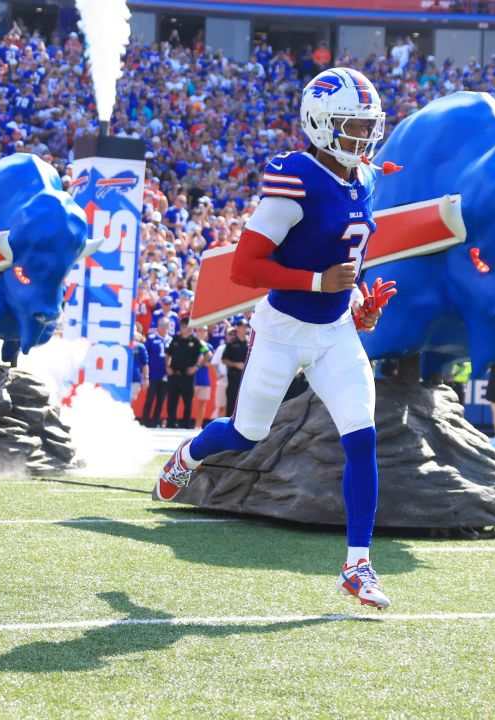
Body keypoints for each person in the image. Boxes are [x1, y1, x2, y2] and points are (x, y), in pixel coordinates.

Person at [155, 68, 396, 609]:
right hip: (283, 330)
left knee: (362, 437)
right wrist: (314, 282)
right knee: (246, 433)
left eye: (368, 125)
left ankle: (357, 565)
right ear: (319, 123)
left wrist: (358, 303)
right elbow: (244, 268)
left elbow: (346, 259)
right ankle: (190, 454)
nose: (364, 136)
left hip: (334, 332)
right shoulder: (295, 180)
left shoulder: (365, 177)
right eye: (353, 125)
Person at [165, 318, 208, 430]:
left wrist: (196, 367)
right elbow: (168, 354)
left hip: (187, 376)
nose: (186, 329)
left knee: (187, 401)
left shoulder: (196, 341)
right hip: (174, 374)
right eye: (184, 326)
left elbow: (208, 354)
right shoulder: (176, 339)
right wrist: (168, 366)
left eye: (188, 326)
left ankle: (186, 424)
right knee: (172, 400)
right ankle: (171, 423)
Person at [142, 317, 172, 427]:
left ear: (169, 326)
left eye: (166, 325)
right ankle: (145, 421)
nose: (163, 327)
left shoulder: (171, 340)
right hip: (153, 374)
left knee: (160, 400)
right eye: (161, 325)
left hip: (165, 375)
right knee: (150, 398)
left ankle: (155, 422)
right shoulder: (151, 338)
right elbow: (145, 356)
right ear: (158, 326)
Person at [220, 319, 250, 415]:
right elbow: (224, 360)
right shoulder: (231, 343)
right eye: (242, 327)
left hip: (247, 376)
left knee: (246, 400)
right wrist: (236, 364)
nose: (244, 329)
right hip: (234, 376)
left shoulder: (250, 343)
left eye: (245, 327)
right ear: (237, 328)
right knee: (232, 400)